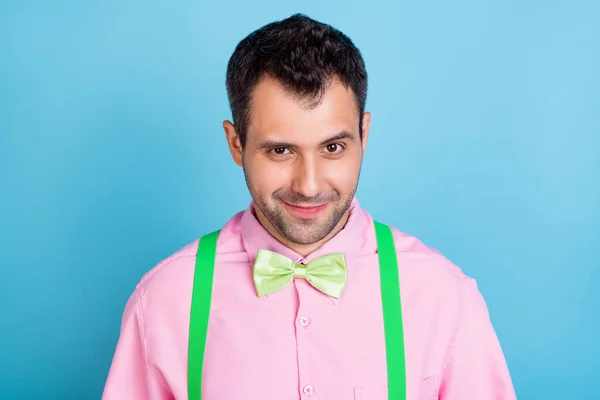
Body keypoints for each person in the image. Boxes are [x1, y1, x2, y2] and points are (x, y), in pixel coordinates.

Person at [101, 13, 516, 400]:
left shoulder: (443, 297)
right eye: (281, 150)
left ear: (364, 135)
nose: (310, 185)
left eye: (333, 147)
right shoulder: (165, 300)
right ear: (236, 144)